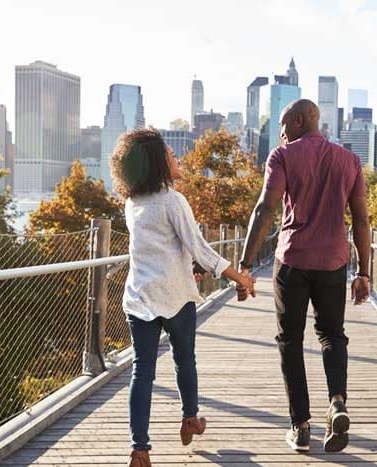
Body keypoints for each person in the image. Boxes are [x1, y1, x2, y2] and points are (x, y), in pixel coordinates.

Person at [110, 128, 255, 467]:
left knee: (141, 372)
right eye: (171, 155)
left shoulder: (132, 204)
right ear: (158, 164)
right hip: (174, 296)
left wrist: (192, 264)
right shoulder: (174, 200)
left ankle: (140, 450)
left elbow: (158, 246)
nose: (177, 159)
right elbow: (201, 249)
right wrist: (241, 277)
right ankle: (190, 418)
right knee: (184, 359)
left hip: (140, 297)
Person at [238, 99, 371, 453]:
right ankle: (338, 402)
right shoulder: (350, 160)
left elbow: (266, 207)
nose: (281, 133)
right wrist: (364, 271)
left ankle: (300, 426)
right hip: (333, 262)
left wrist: (246, 263)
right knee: (332, 336)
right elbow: (361, 220)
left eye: (283, 125)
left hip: (292, 261)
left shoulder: (282, 156)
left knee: (290, 341)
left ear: (299, 120)